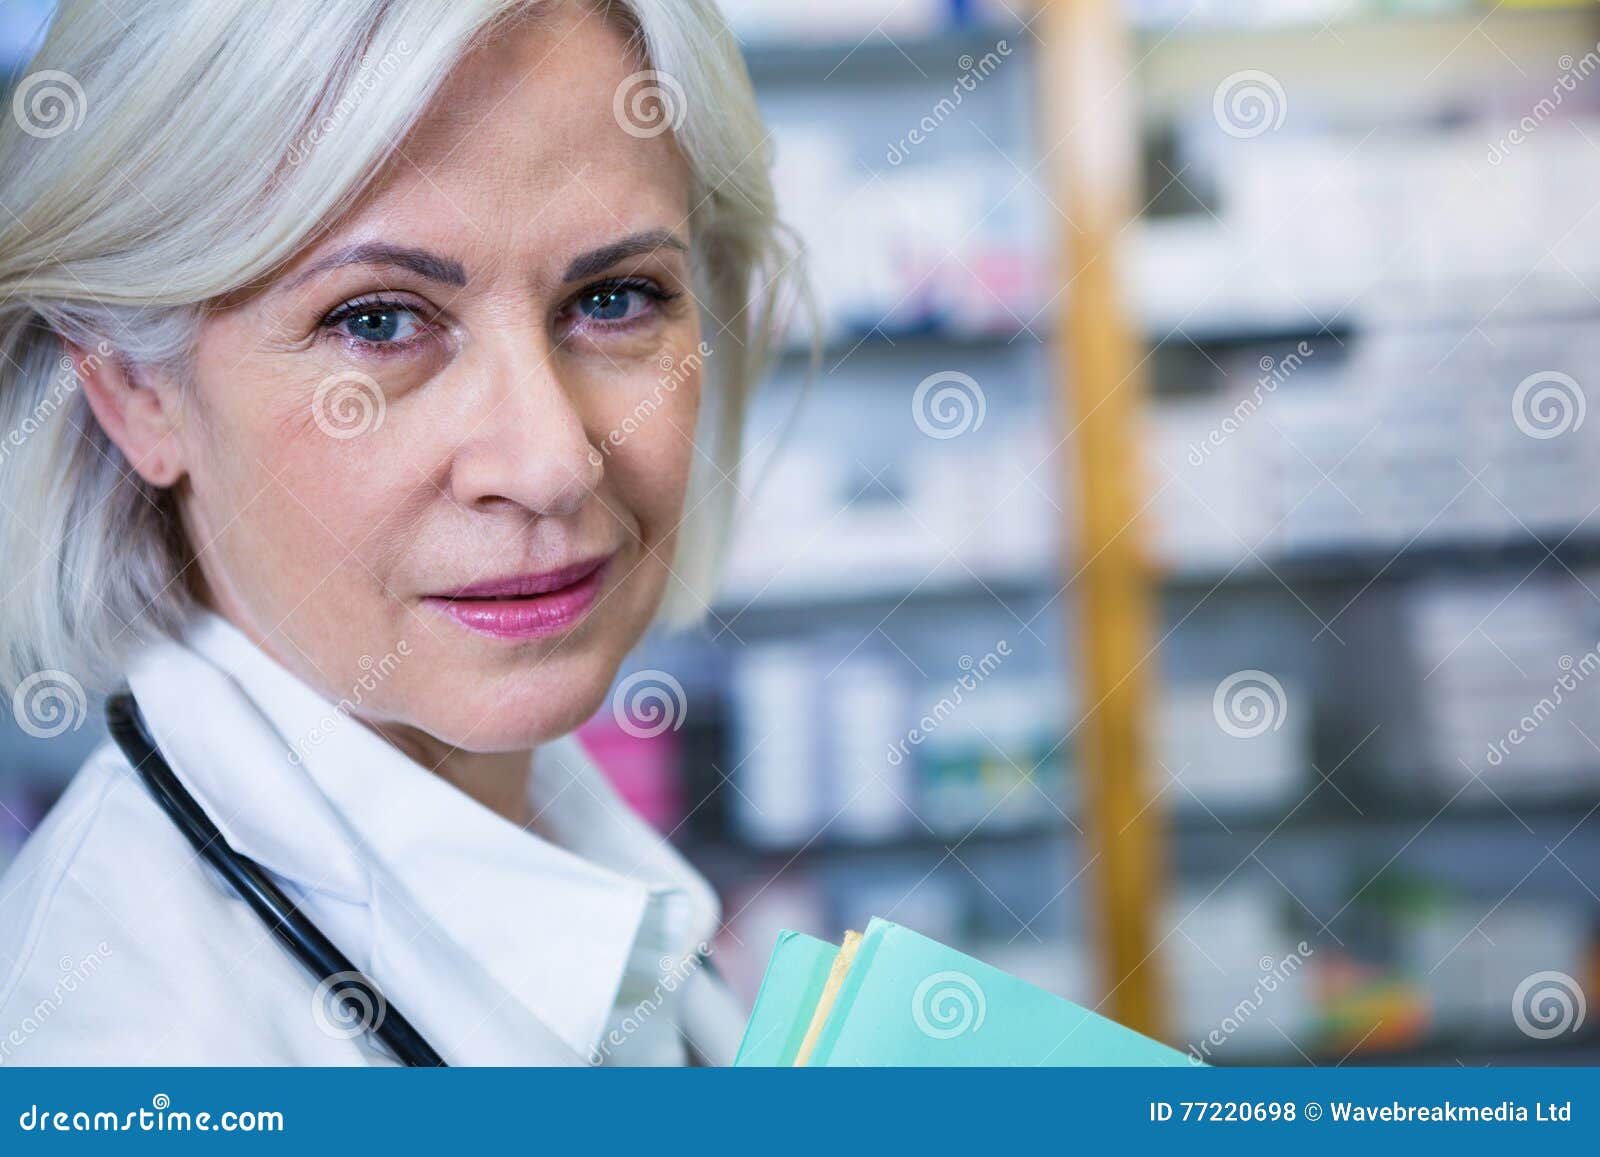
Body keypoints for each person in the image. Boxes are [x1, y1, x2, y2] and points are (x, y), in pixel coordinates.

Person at [0, 0, 800, 1065]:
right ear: (135, 390)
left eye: (614, 298)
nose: (551, 462)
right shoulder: (117, 1056)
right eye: (377, 320)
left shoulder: (545, 818)